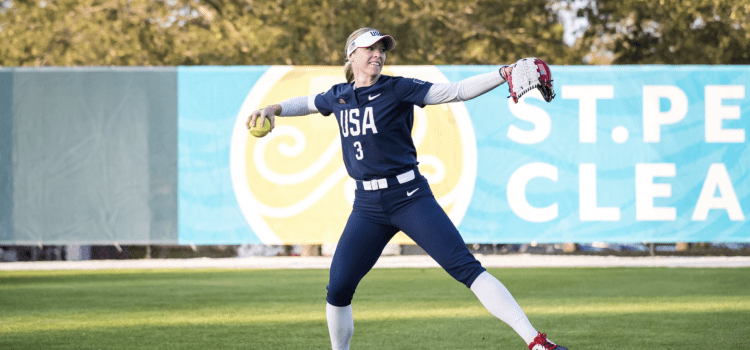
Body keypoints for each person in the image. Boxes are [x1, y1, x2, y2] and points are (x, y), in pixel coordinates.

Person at [247, 27, 568, 350]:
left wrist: (503, 73)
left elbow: (454, 91)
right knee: (338, 288)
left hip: (409, 198)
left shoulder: (396, 89)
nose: (378, 54)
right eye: (371, 48)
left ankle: (537, 342)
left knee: (465, 268)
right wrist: (275, 109)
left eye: (383, 49)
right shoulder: (339, 95)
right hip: (368, 206)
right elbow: (308, 103)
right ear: (352, 55)